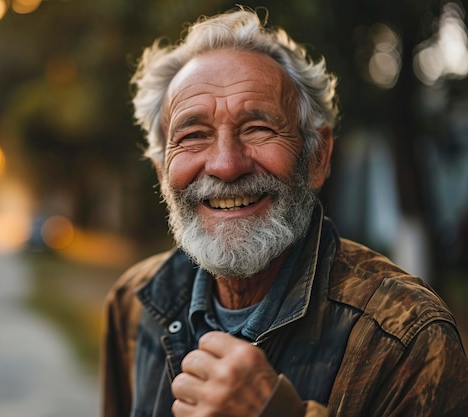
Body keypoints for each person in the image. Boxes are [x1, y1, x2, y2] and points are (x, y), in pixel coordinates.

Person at [101, 6, 468, 417]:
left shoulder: (406, 338)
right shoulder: (134, 304)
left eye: (258, 129)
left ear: (317, 157)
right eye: (193, 135)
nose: (226, 165)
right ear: (162, 171)